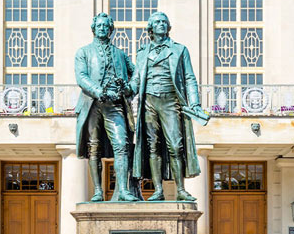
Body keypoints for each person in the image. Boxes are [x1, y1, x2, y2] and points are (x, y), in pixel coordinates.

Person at [130, 12, 206, 201]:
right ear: (150, 29)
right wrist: (123, 91)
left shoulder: (180, 50)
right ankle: (158, 190)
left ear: (169, 27)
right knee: (152, 146)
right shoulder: (142, 53)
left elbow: (189, 78)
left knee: (175, 145)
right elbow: (136, 81)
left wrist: (194, 102)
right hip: (148, 102)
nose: (161, 24)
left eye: (164, 22)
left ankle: (180, 189)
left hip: (170, 101)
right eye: (157, 22)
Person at [73, 13, 138, 202]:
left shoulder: (120, 54)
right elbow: (82, 77)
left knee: (122, 145)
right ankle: (98, 191)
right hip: (92, 103)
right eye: (99, 26)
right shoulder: (83, 52)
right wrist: (99, 91)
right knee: (94, 147)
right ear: (93, 29)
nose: (102, 28)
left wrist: (129, 88)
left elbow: (137, 74)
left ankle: (123, 190)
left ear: (111, 29)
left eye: (105, 26)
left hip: (115, 104)